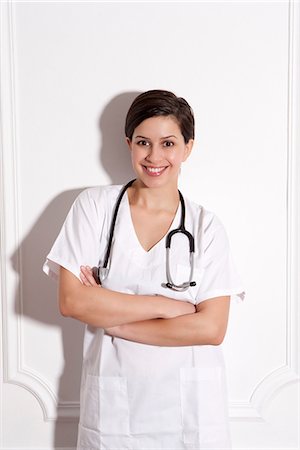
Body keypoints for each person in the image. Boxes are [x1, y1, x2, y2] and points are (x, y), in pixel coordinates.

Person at [43, 89, 244, 450]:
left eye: (168, 143)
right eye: (143, 142)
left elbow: (212, 327)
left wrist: (113, 318)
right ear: (128, 144)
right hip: (113, 409)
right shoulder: (95, 207)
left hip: (191, 412)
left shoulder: (206, 227)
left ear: (188, 148)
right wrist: (165, 305)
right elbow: (72, 302)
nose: (154, 156)